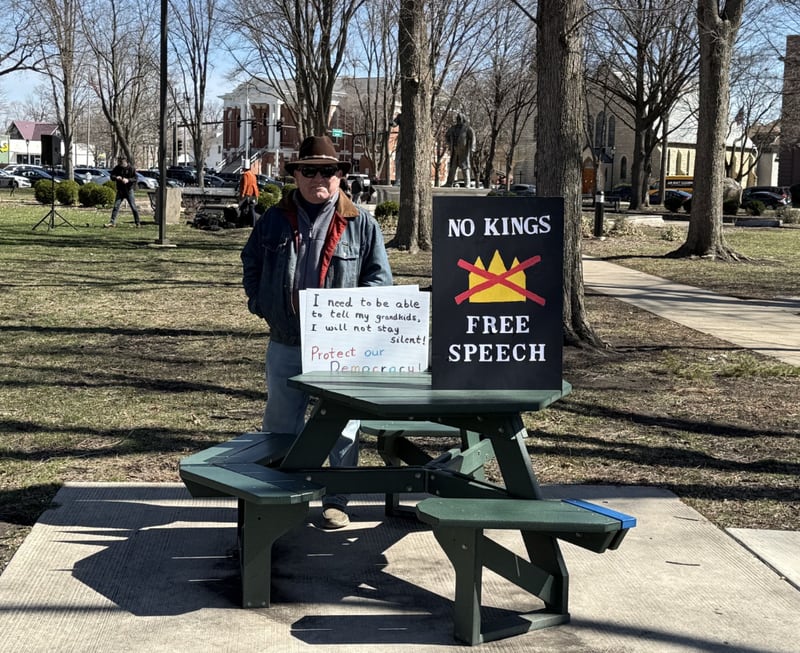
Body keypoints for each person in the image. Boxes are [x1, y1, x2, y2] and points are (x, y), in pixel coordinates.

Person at [241, 135, 393, 529]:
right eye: (308, 170)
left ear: (340, 176)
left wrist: (356, 317)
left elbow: (380, 280)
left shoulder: (362, 225)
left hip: (341, 349)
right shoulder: (274, 219)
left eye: (328, 170)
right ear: (296, 176)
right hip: (287, 342)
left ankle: (337, 499)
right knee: (280, 423)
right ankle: (280, 497)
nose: (318, 178)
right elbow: (251, 263)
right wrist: (262, 303)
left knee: (342, 427)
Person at [105, 156, 142, 227]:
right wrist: (116, 177)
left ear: (125, 161)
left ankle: (137, 222)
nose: (119, 163)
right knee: (116, 206)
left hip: (129, 190)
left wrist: (128, 180)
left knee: (133, 207)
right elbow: (112, 176)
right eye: (118, 161)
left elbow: (135, 178)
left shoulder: (131, 168)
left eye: (121, 162)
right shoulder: (117, 168)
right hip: (120, 190)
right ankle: (112, 222)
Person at [445, 113, 476, 188]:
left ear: (463, 119)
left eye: (460, 118)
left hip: (464, 151)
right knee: (452, 167)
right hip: (454, 151)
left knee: (465, 167)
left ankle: (467, 183)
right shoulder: (453, 128)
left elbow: (473, 138)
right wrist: (449, 143)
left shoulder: (467, 128)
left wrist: (472, 148)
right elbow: (447, 136)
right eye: (457, 119)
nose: (458, 120)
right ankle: (449, 183)